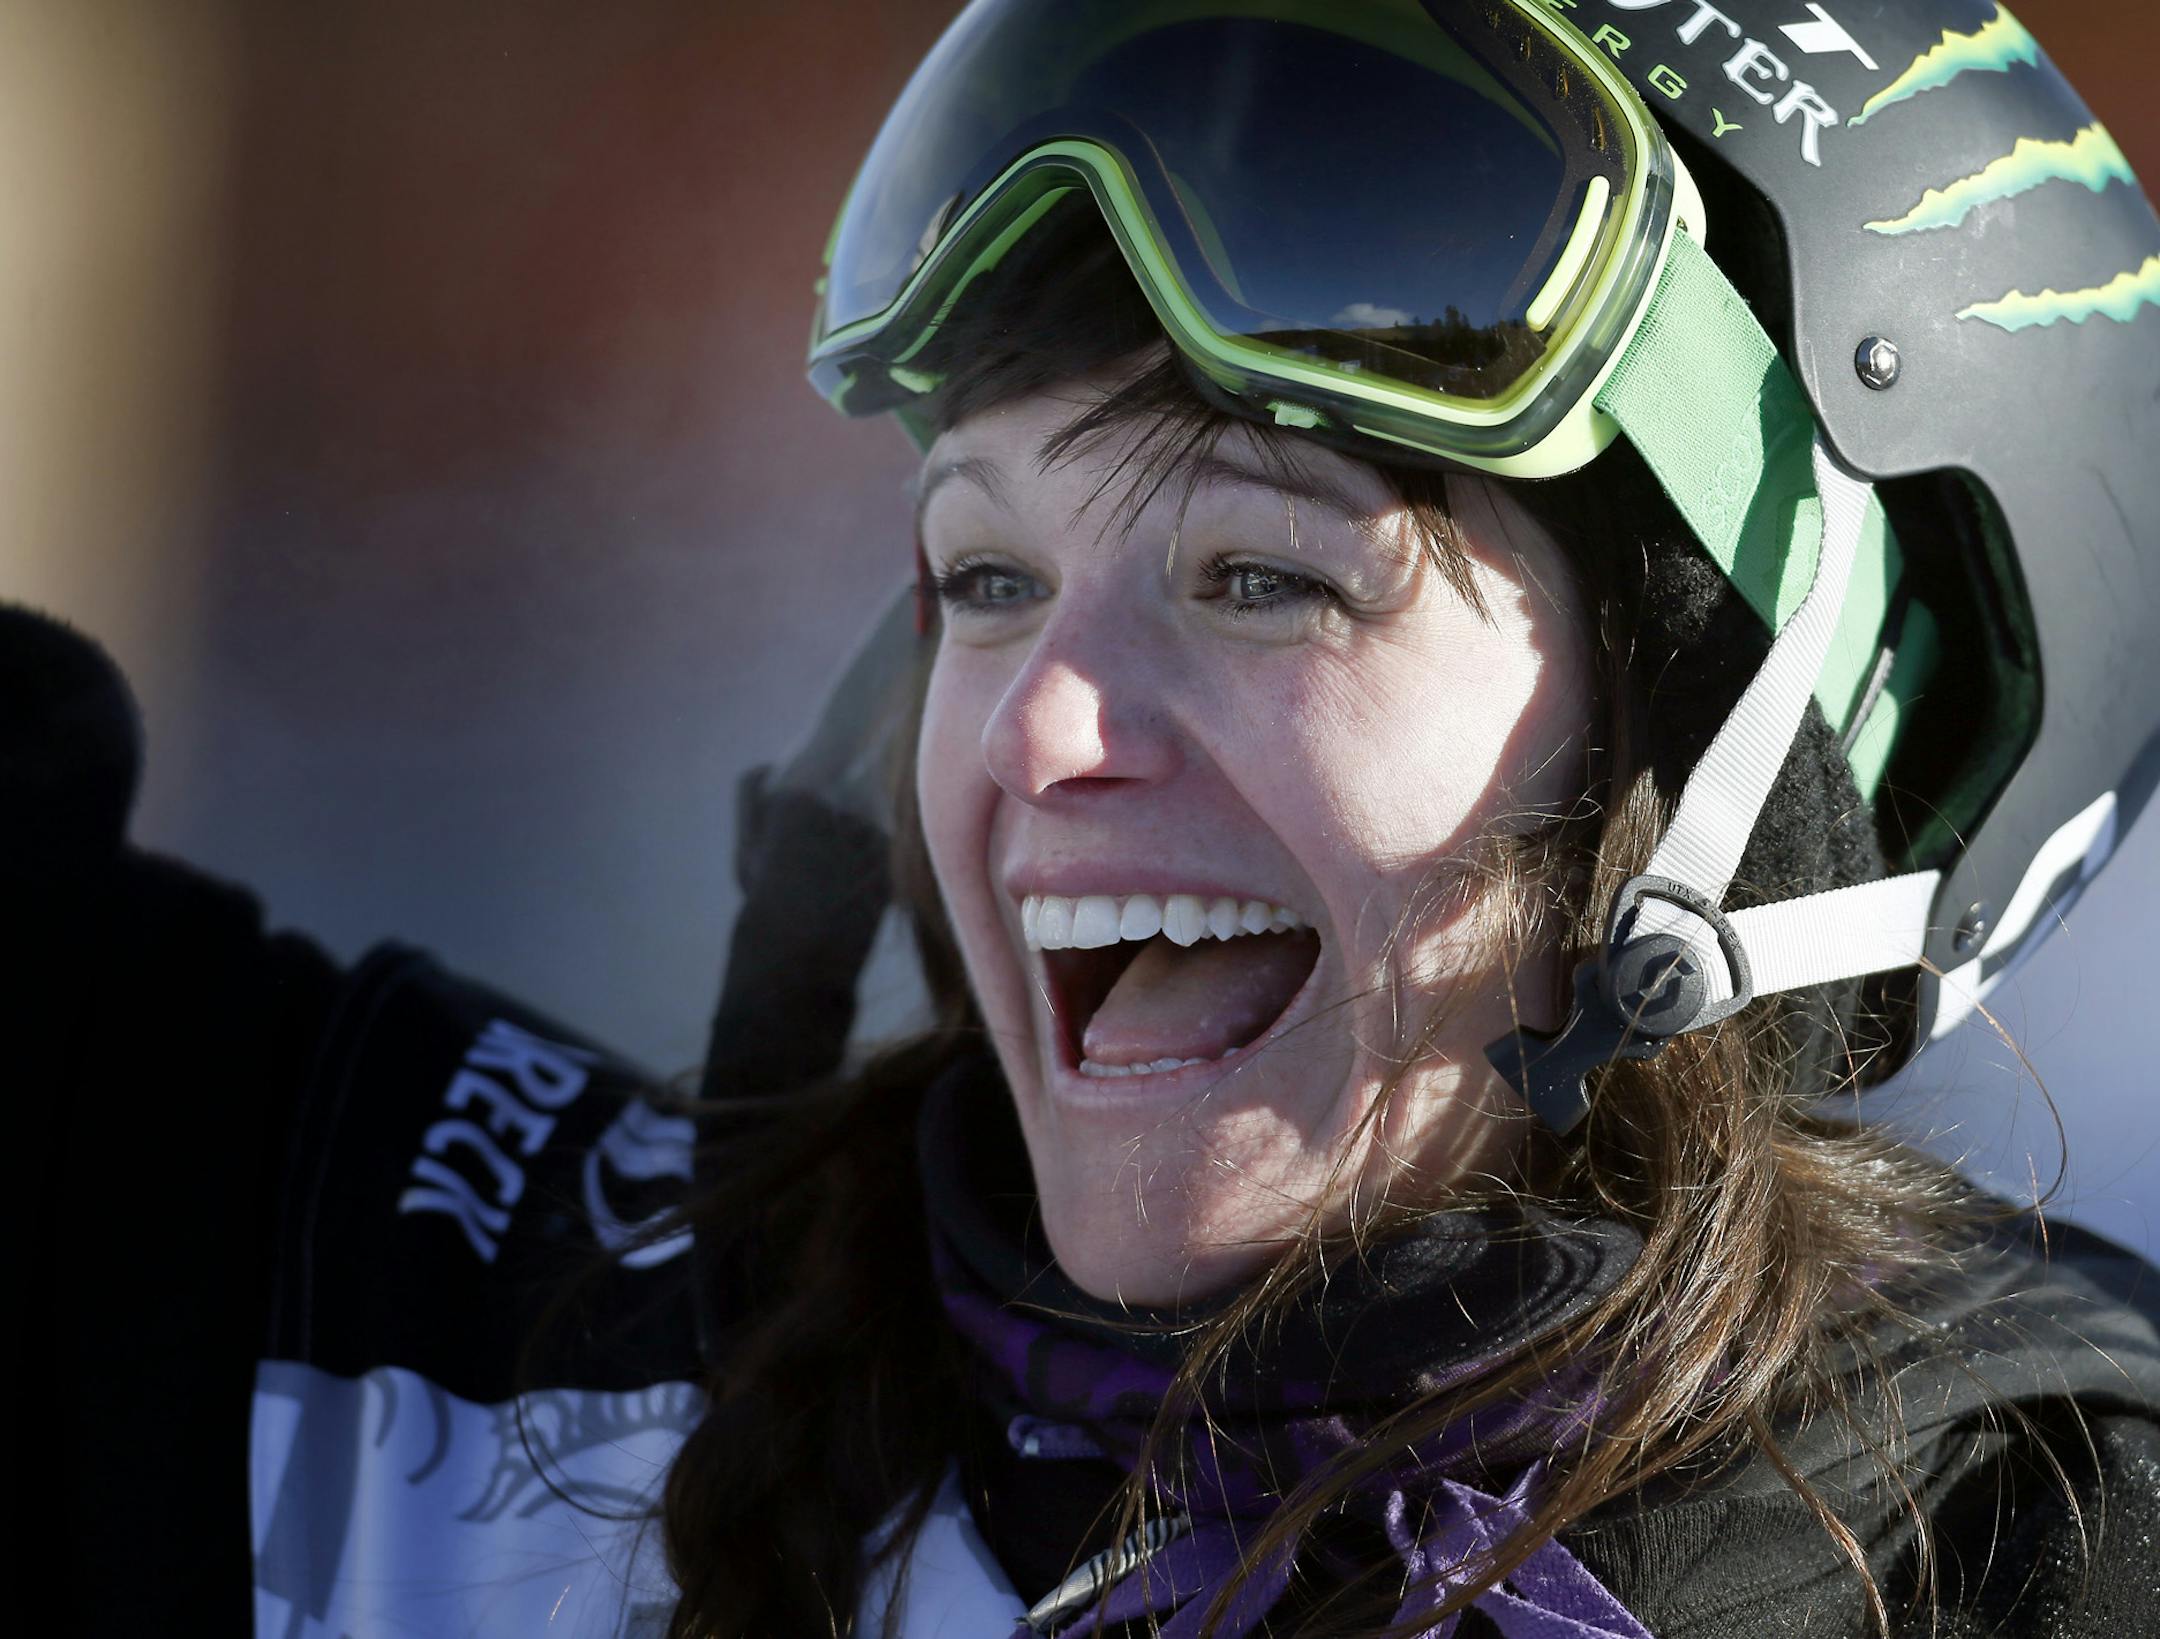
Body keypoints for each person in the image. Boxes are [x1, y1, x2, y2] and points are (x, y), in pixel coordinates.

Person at [15, 1, 2160, 1636]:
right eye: (983, 578)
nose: (1037, 732)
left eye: (1262, 578)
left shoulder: (2026, 1566)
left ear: (1755, 768)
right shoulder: (398, 1359)